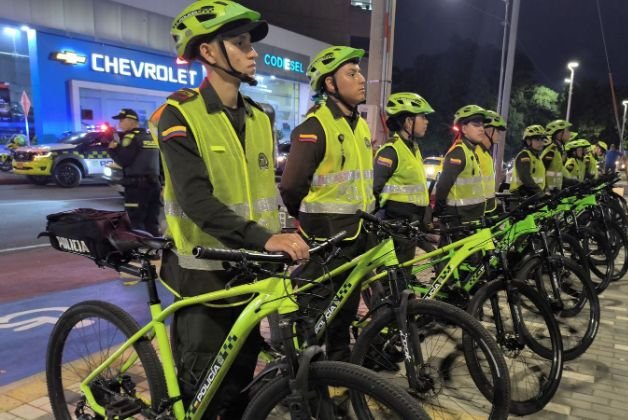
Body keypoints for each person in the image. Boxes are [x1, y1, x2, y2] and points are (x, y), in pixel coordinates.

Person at [149, 2, 309, 417]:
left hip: (247, 270)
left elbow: (266, 192)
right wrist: (265, 238)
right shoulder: (177, 115)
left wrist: (288, 228)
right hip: (202, 278)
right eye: (240, 43)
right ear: (208, 52)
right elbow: (197, 201)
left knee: (239, 380)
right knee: (201, 389)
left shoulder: (260, 117)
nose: (252, 51)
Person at [279, 45, 373, 361]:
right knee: (317, 313)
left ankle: (341, 364)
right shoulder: (314, 126)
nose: (361, 78)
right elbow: (291, 186)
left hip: (356, 235)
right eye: (352, 73)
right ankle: (310, 377)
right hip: (324, 238)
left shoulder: (359, 125)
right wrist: (305, 221)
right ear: (330, 84)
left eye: (359, 71)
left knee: (346, 307)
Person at [373, 92, 434, 264]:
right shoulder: (391, 151)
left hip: (410, 226)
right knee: (393, 281)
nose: (426, 121)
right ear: (408, 121)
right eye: (423, 117)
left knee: (403, 277)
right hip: (395, 226)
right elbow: (374, 189)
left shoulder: (413, 148)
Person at [108, 108, 161, 236]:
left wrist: (112, 150)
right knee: (152, 220)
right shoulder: (151, 137)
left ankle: (140, 251)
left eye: (121, 120)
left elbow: (123, 161)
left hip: (136, 187)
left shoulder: (130, 138)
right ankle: (154, 250)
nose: (119, 124)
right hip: (154, 184)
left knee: (135, 221)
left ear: (131, 121)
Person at [434, 105, 487, 224]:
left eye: (482, 125)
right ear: (464, 129)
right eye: (476, 125)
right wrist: (438, 213)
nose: (482, 129)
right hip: (458, 221)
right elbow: (443, 186)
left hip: (470, 219)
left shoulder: (470, 152)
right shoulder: (459, 152)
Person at [481, 110, 507, 215]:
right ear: (488, 130)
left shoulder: (486, 154)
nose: (500, 135)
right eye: (497, 131)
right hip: (477, 212)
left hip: (487, 209)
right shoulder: (477, 152)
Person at [509, 125, 546, 196]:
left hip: (532, 195)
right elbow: (525, 177)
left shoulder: (537, 157)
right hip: (520, 196)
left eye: (542, 140)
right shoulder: (524, 155)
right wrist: (539, 192)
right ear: (528, 141)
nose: (541, 143)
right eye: (537, 139)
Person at [541, 119, 575, 190]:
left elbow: (562, 170)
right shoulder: (551, 151)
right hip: (547, 193)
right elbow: (541, 170)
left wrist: (574, 182)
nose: (569, 133)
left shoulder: (557, 151)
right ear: (559, 134)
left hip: (554, 192)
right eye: (567, 131)